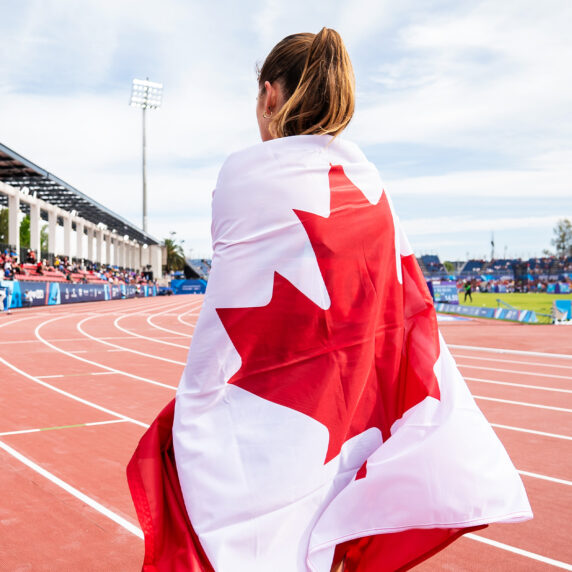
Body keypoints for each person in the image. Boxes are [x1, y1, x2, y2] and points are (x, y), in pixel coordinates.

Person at [128, 29, 531, 572]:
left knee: (183, 474)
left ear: (270, 95)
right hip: (346, 415)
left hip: (267, 410)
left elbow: (245, 311)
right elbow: (394, 310)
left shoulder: (242, 176)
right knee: (322, 526)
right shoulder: (370, 183)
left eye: (257, 99)